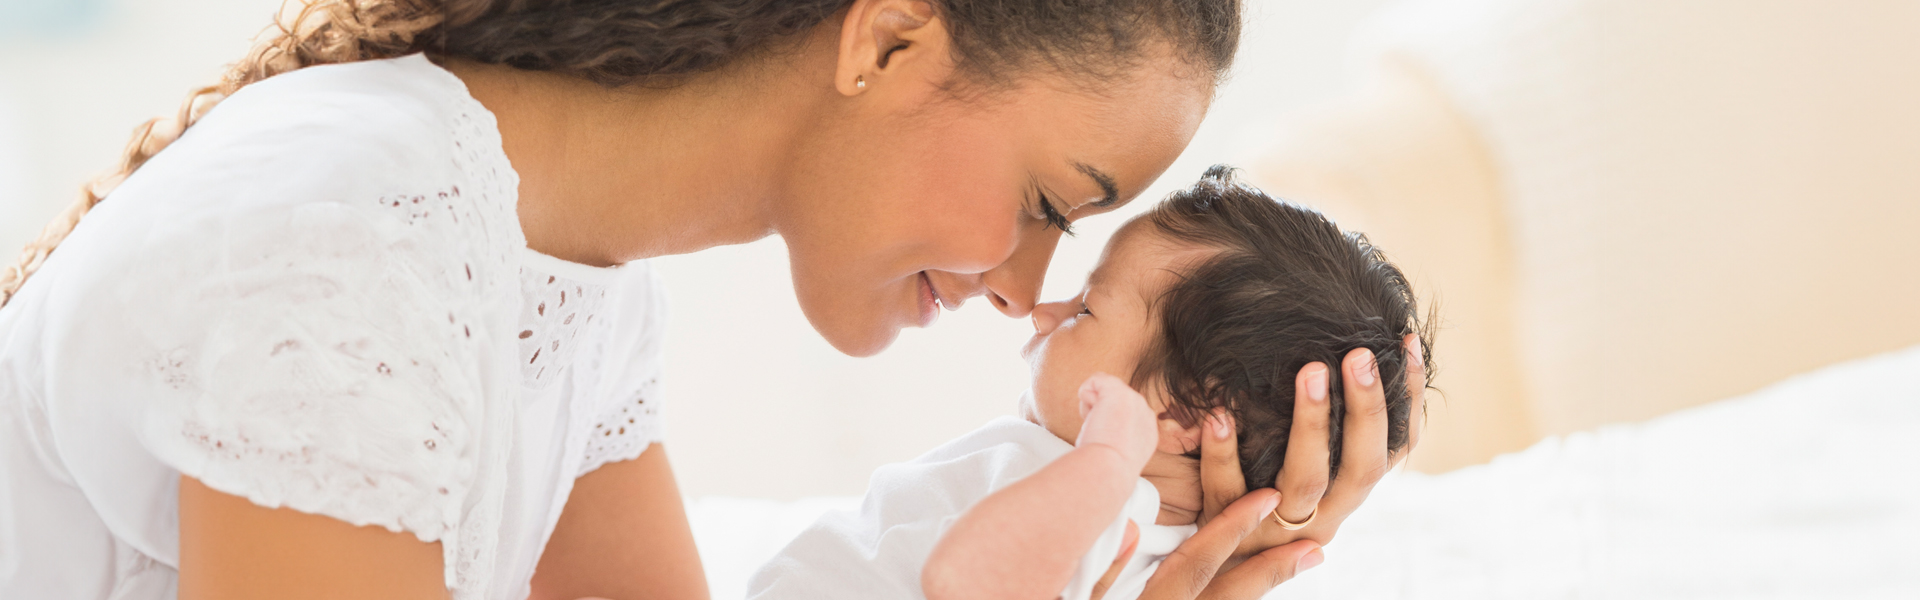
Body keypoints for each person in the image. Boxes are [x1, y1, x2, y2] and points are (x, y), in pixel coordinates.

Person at [0, 1, 1425, 599]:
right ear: (890, 38)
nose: (1025, 289)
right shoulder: (354, 242)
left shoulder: (570, 285)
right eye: (1051, 204)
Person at [746, 168, 1430, 600]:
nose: (1042, 310)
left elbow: (961, 584)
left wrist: (1104, 462)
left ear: (1186, 412)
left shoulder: (1108, 507)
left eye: (1084, 309)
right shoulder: (1145, 534)